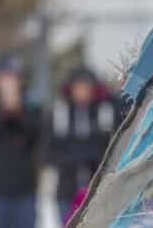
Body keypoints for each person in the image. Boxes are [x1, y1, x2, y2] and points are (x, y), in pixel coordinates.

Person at [44, 66, 118, 221]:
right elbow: (49, 151)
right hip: (67, 188)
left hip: (97, 187)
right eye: (78, 87)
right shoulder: (60, 112)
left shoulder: (105, 109)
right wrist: (73, 157)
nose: (83, 92)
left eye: (87, 87)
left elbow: (111, 144)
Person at [0, 56, 40, 228]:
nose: (8, 82)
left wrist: (17, 109)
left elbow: (36, 133)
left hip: (24, 191)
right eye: (4, 77)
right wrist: (4, 111)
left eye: (12, 77)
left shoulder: (30, 102)